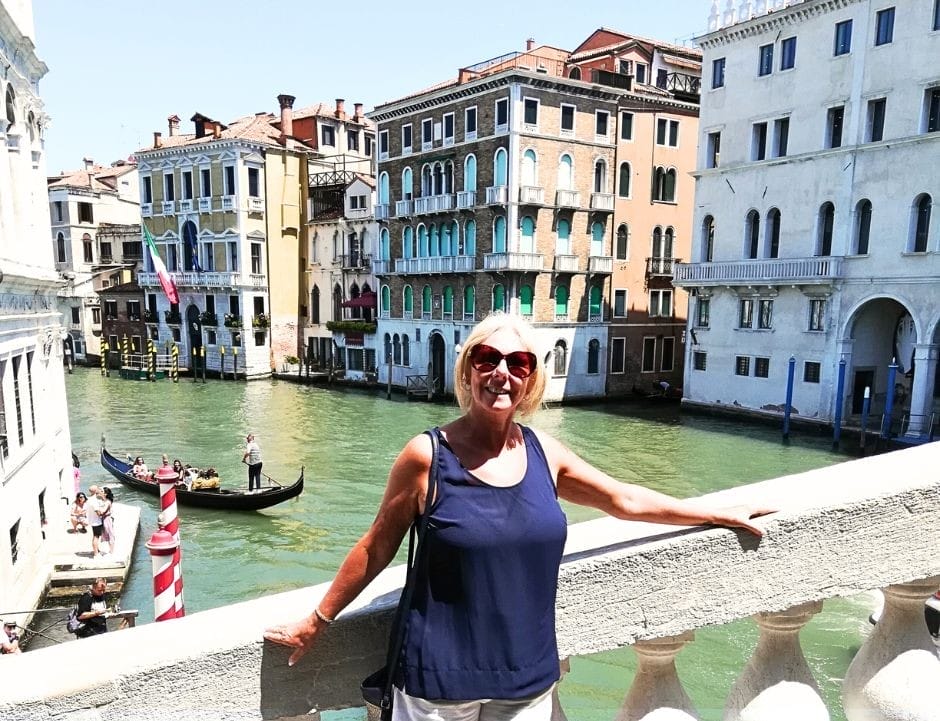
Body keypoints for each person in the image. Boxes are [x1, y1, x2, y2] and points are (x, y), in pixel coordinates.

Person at [265, 313, 771, 719]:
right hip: (439, 686)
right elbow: (376, 546)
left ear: (531, 379)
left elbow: (625, 500)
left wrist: (714, 511)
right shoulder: (426, 456)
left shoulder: (545, 454)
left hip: (526, 680)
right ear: (468, 371)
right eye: (487, 358)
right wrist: (317, 621)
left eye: (518, 363)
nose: (501, 372)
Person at [86, 485, 105, 557]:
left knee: (95, 536)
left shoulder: (89, 499)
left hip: (92, 520)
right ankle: (96, 553)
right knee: (96, 537)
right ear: (95, 491)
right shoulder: (94, 501)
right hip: (96, 521)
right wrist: (103, 513)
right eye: (98, 489)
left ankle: (97, 549)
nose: (99, 490)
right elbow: (98, 513)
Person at [99, 487, 116, 555]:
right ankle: (111, 550)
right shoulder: (104, 501)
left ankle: (111, 551)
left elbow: (103, 511)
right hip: (104, 518)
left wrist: (96, 509)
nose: (100, 492)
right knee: (106, 533)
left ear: (105, 494)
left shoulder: (107, 502)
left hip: (107, 519)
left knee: (109, 534)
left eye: (101, 491)